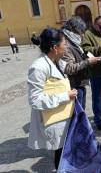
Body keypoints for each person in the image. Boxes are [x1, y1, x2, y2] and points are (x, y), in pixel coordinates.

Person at [27, 28, 78, 170]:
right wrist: (65, 96)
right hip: (54, 119)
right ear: (55, 48)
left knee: (64, 152)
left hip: (63, 116)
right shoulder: (38, 67)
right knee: (61, 154)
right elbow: (34, 100)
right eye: (64, 44)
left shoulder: (57, 61)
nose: (66, 47)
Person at [61, 16, 101, 109]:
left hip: (80, 82)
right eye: (81, 32)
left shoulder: (74, 41)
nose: (82, 35)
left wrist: (88, 57)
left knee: (81, 110)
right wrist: (87, 62)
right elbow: (68, 68)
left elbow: (77, 56)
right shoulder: (66, 44)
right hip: (73, 85)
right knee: (77, 113)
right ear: (74, 30)